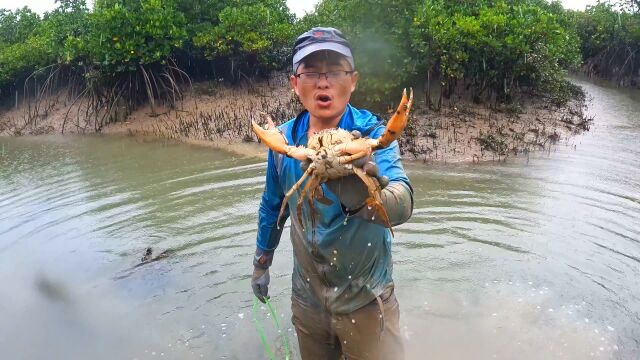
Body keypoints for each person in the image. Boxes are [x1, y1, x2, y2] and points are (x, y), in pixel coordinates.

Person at [251, 27, 414, 360]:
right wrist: (261, 263)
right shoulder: (284, 143)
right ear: (295, 83)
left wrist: (360, 190)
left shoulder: (372, 134)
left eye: (335, 71)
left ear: (352, 80)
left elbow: (402, 205)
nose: (322, 82)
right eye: (310, 72)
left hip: (367, 301)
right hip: (307, 301)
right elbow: (273, 207)